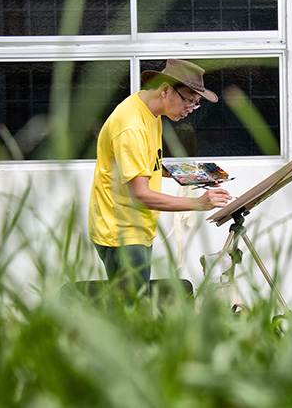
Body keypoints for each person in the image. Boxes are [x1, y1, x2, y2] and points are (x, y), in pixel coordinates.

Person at [88, 59, 231, 295]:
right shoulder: (132, 126)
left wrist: (194, 175)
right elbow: (141, 194)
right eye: (189, 101)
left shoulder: (150, 113)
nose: (190, 109)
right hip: (122, 231)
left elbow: (147, 165)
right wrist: (199, 203)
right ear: (165, 90)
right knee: (133, 309)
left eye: (195, 104)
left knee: (136, 302)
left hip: (137, 225)